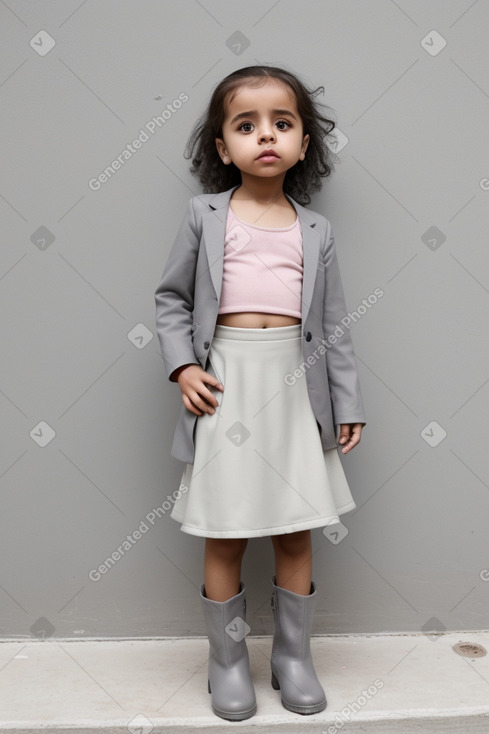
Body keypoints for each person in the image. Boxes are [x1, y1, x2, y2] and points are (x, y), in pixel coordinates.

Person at [154, 65, 366, 722]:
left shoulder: (316, 231)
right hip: (227, 386)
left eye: (282, 123)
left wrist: (347, 402)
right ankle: (226, 664)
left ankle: (292, 659)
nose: (264, 136)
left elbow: (330, 325)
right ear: (222, 147)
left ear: (304, 144)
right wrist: (185, 368)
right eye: (245, 125)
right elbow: (170, 300)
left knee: (296, 531)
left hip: (296, 391)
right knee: (225, 534)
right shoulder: (203, 215)